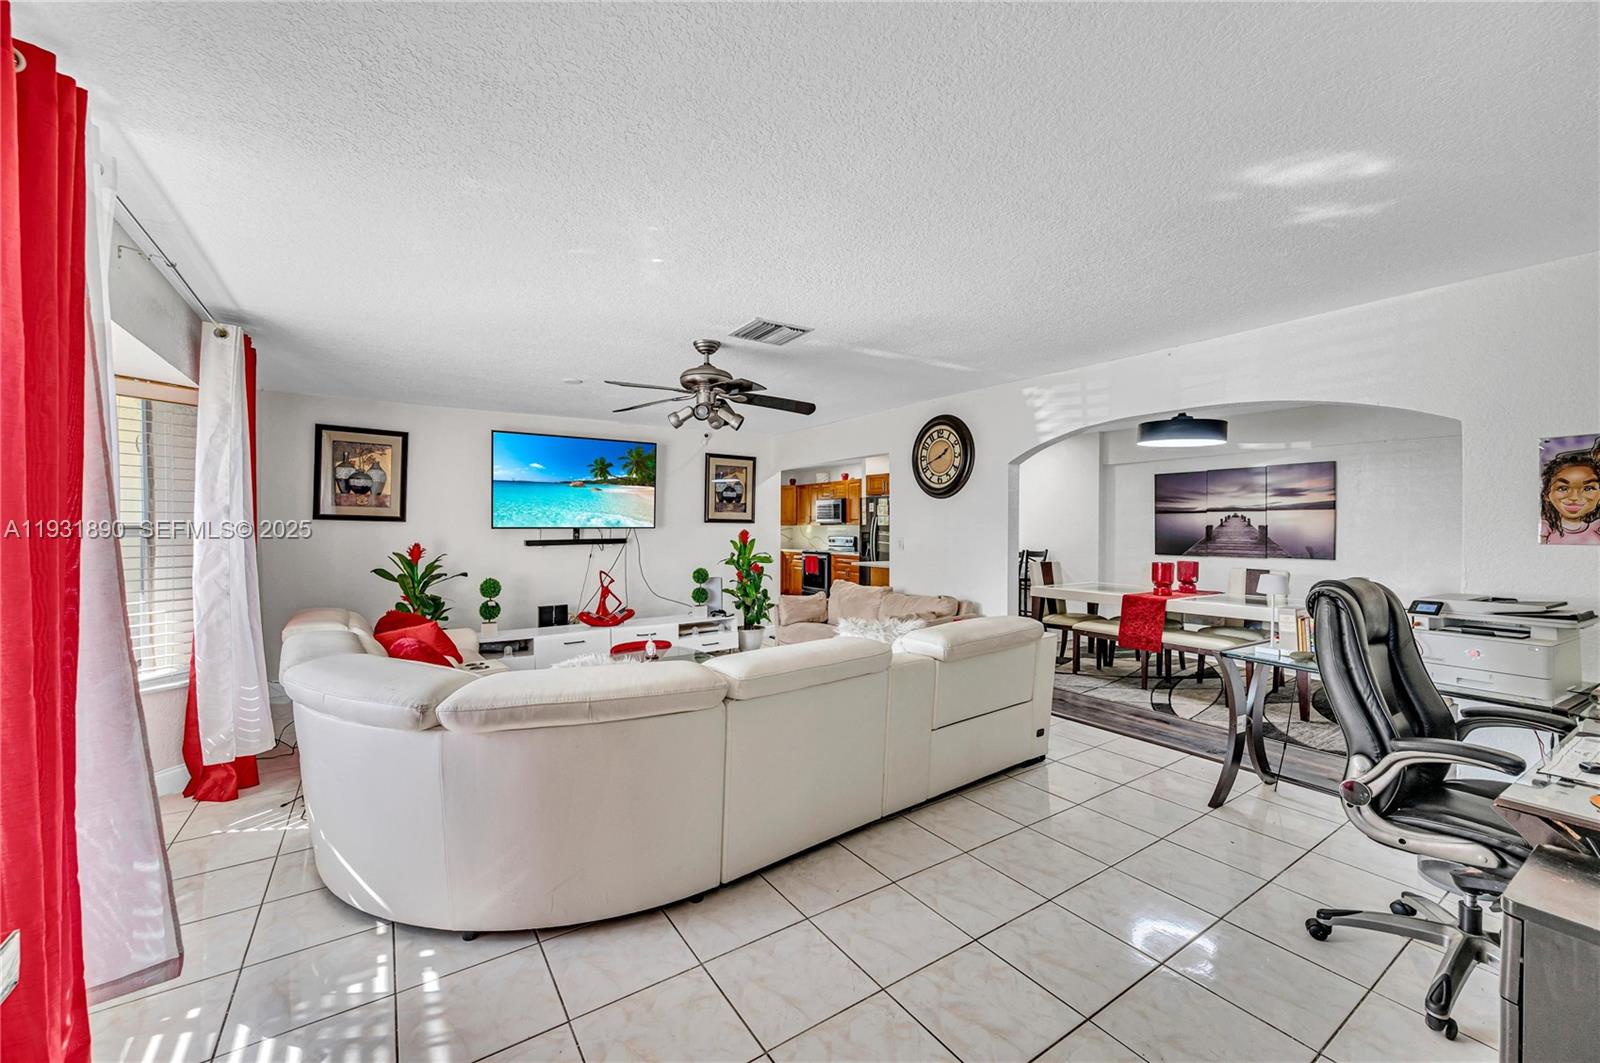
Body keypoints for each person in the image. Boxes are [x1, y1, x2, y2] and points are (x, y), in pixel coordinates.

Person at [1539, 443, 1600, 544]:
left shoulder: (1597, 526)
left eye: (1588, 488)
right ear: (1547, 494)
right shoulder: (1546, 528)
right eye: (1563, 488)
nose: (1574, 497)